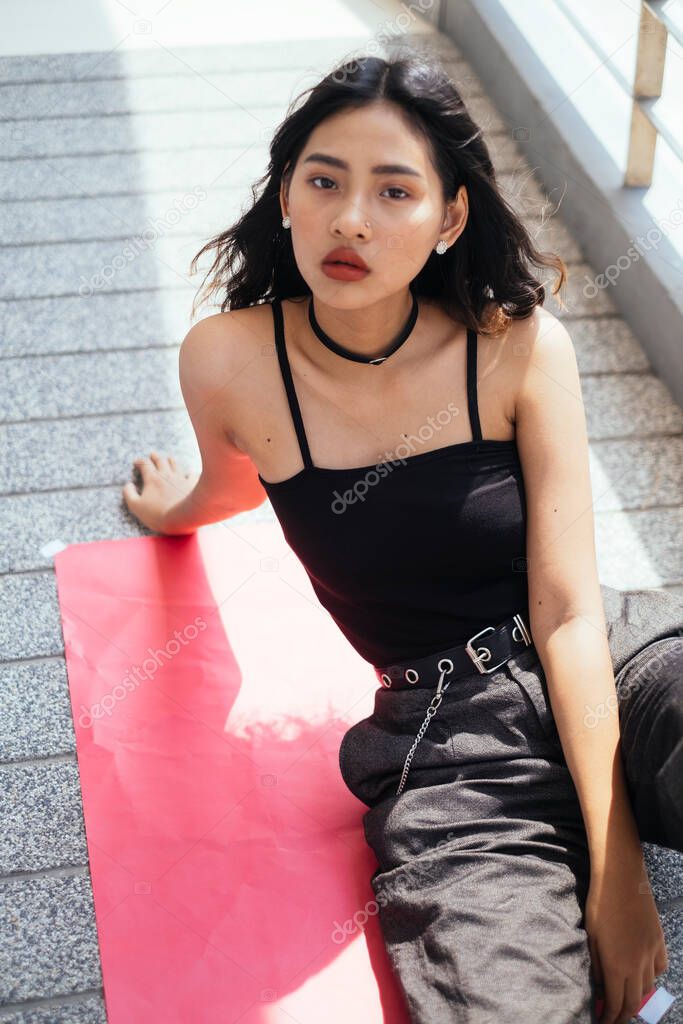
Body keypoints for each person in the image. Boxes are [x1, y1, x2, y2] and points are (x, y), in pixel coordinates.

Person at [121, 49, 683, 1024]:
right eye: (324, 181)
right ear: (285, 194)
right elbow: (227, 488)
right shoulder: (229, 362)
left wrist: (617, 871)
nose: (351, 219)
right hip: (444, 737)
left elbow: (565, 611)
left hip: (612, 660)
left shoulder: (513, 346)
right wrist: (167, 511)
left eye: (393, 191)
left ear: (448, 217)